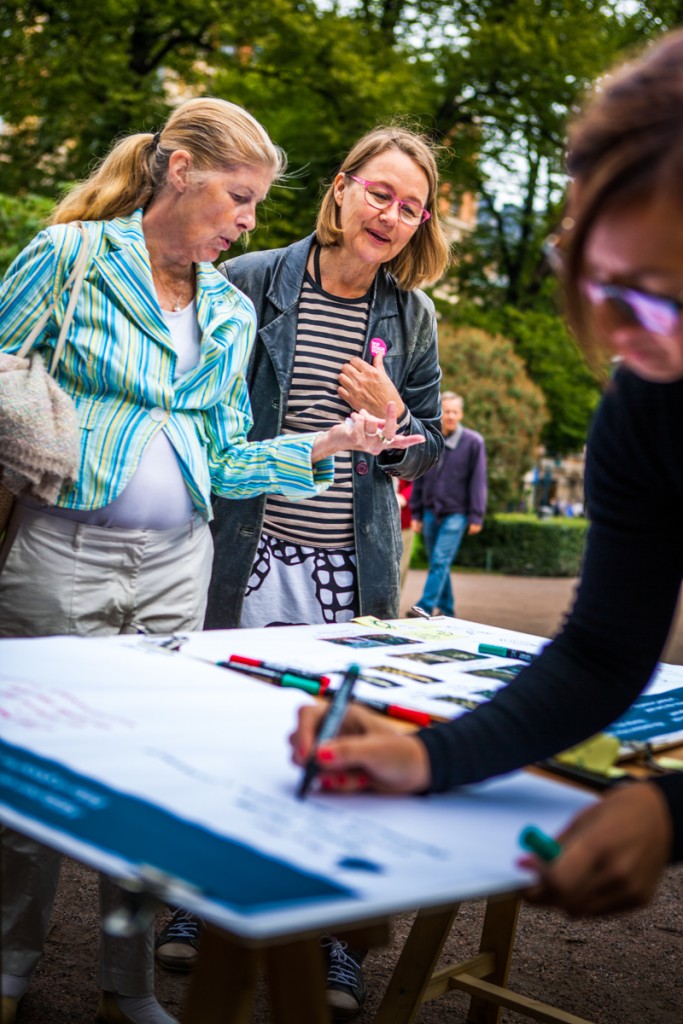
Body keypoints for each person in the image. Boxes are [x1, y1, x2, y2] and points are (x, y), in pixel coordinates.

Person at [0, 99, 422, 1024]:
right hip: (62, 549)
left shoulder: (229, 309)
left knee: (148, 779)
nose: (246, 222)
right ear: (179, 169)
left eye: (257, 206)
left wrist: (328, 442)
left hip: (177, 566)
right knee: (30, 776)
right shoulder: (71, 256)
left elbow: (230, 457)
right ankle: (11, 964)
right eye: (238, 197)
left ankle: (130, 982)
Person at [289, 29, 683, 918]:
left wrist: (669, 812)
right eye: (590, 275)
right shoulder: (647, 399)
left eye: (656, 293)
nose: (618, 334)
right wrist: (425, 756)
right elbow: (602, 653)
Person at [183, 124, 449, 1021]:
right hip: (242, 551)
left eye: (411, 207)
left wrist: (396, 412)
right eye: (380, 192)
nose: (393, 215)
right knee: (232, 738)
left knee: (337, 749)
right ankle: (201, 905)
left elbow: (424, 461)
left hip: (349, 569)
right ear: (340, 188)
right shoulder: (251, 279)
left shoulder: (410, 317)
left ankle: (331, 938)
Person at [409, 391, 486, 617]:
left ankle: (424, 606)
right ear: (440, 412)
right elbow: (419, 476)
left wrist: (476, 516)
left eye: (455, 411)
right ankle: (448, 610)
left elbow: (478, 481)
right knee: (438, 563)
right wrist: (416, 513)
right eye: (446, 411)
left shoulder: (474, 442)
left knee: (440, 560)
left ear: (461, 414)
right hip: (431, 511)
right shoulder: (432, 438)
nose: (450, 416)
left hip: (457, 514)